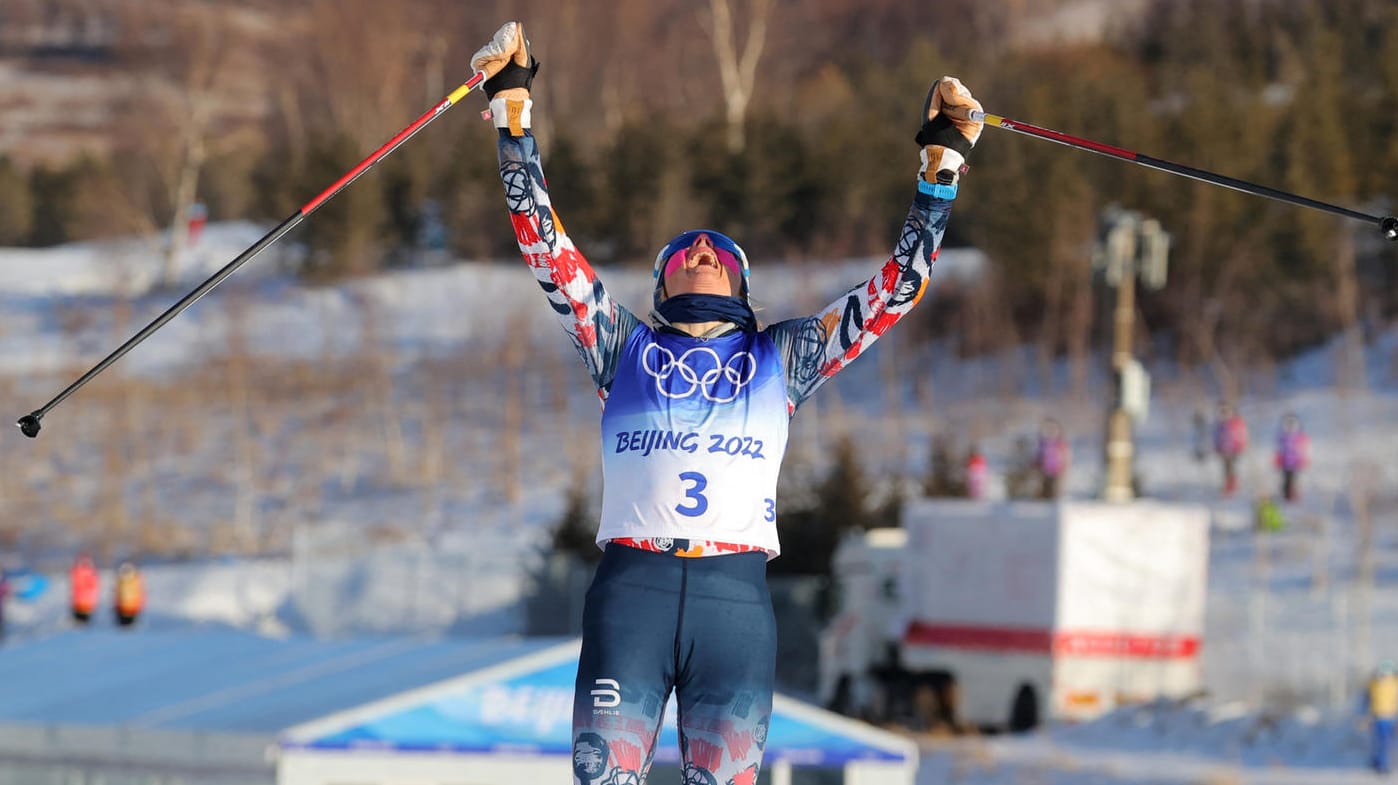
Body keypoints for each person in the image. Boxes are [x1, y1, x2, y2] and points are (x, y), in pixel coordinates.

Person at [472, 21, 984, 785]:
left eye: (718, 252)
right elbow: (545, 244)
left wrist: (941, 162)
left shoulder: (780, 356)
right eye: (685, 252)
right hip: (631, 595)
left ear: (742, 290)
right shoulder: (623, 345)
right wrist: (513, 112)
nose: (703, 251)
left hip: (733, 603)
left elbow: (893, 293)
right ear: (662, 286)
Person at [1362, 660, 1398, 774]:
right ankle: (1380, 763)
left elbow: (1366, 700)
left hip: (1386, 716)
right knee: (1382, 741)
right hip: (1381, 716)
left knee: (1383, 741)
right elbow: (1367, 700)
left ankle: (1381, 763)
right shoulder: (1375, 684)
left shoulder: (1374, 683)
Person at [1213, 402, 1248, 497]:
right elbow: (1217, 436)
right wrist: (1217, 446)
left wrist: (1241, 445)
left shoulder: (1235, 422)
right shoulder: (1220, 424)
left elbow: (1241, 434)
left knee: (1231, 467)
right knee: (1226, 467)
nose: (1223, 413)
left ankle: (1232, 484)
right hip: (1224, 449)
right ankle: (1228, 484)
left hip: (1234, 449)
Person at [1274, 412, 1310, 503]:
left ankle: (1294, 496)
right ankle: (1286, 496)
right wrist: (1278, 459)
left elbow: (1304, 450)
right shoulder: (1282, 437)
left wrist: (1303, 460)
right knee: (1286, 479)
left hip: (1295, 462)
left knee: (1294, 479)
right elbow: (1279, 450)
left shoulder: (1300, 437)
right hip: (1285, 462)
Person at [1035, 419, 1070, 499]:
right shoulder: (1042, 443)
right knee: (1044, 490)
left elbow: (1065, 456)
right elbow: (1039, 456)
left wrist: (1064, 467)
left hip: (1056, 470)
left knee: (1054, 491)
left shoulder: (1060, 443)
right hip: (1044, 470)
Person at [69, 553, 99, 625]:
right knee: (82, 617)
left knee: (83, 618)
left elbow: (93, 586)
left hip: (83, 599)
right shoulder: (80, 572)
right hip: (82, 599)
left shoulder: (78, 571)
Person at [113, 561, 145, 627]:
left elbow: (139, 592)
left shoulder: (135, 580)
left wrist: (139, 604)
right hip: (122, 606)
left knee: (131, 625)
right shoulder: (120, 580)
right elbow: (116, 593)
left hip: (132, 606)